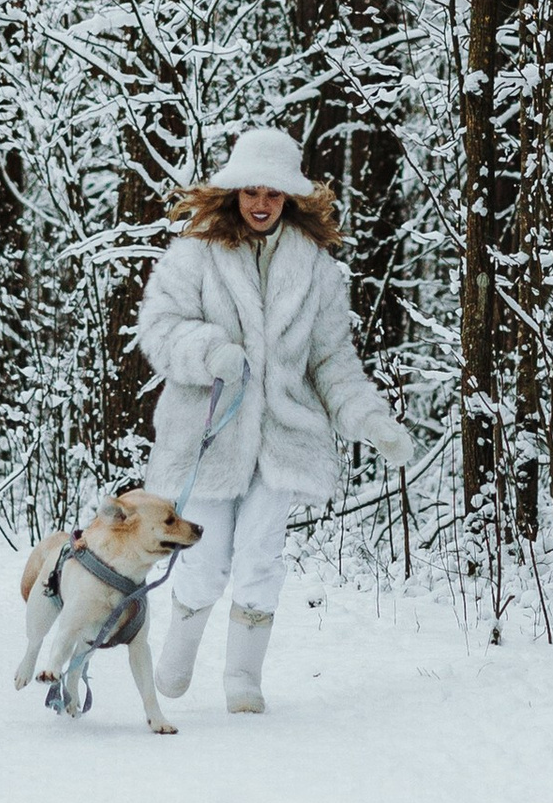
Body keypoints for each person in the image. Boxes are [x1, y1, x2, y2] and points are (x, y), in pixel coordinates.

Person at [135, 122, 408, 715]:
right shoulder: (195, 254)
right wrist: (210, 351)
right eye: (252, 191)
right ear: (234, 192)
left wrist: (369, 419)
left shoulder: (316, 269)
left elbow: (331, 360)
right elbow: (156, 329)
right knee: (204, 558)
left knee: (261, 555)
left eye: (274, 193)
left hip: (283, 439)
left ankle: (243, 677)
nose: (262, 203)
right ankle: (179, 649)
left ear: (290, 197)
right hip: (207, 435)